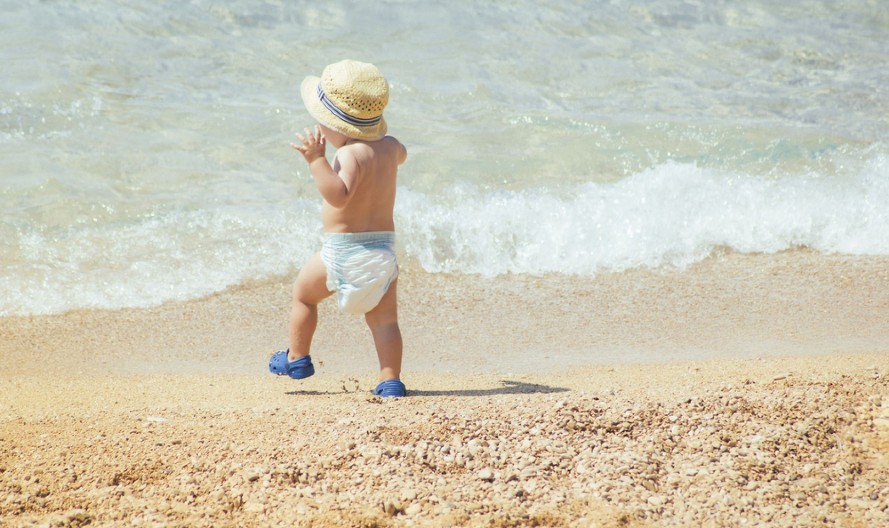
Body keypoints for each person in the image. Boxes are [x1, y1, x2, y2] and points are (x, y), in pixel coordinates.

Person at [268, 60, 408, 397]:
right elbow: (401, 154)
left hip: (343, 251)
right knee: (385, 321)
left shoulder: (350, 156)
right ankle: (390, 380)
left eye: (323, 123)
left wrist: (316, 160)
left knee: (303, 296)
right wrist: (385, 151)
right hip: (383, 253)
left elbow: (339, 195)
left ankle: (297, 357)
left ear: (339, 126)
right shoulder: (390, 148)